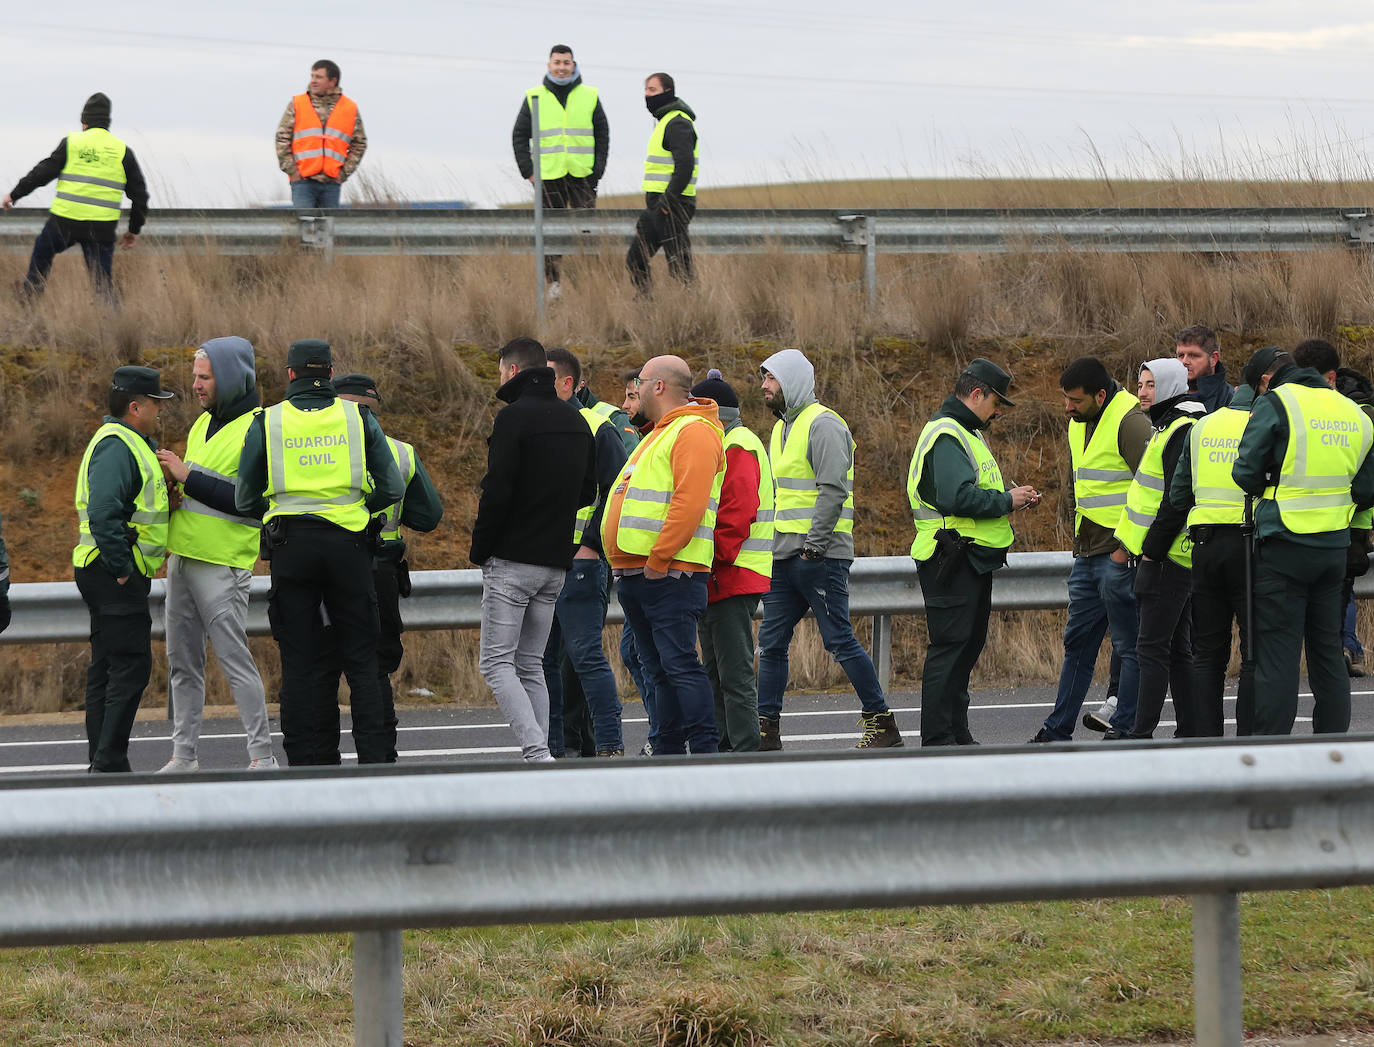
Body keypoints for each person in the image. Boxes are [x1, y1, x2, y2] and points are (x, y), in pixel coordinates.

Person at [236, 339, 404, 765]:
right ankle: (376, 762)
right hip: (349, 548)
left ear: (290, 375)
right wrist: (358, 508)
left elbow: (243, 498)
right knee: (363, 661)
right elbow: (392, 488)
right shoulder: (357, 417)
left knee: (301, 661)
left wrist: (276, 511)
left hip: (292, 548)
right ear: (330, 373)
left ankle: (309, 763)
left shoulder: (268, 422)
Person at [756, 348, 903, 750]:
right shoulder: (780, 428)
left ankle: (882, 723)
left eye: (771, 379)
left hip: (818, 555)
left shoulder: (823, 425)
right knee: (770, 643)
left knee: (838, 639)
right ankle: (765, 731)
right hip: (785, 555)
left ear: (792, 382)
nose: (764, 387)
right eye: (764, 379)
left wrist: (813, 550)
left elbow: (833, 491)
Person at [1233, 346, 1374, 735]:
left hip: (1285, 544)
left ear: (1266, 380)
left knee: (1279, 655)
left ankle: (1274, 753)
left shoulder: (1277, 403)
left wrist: (1272, 481)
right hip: (1334, 547)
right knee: (1328, 651)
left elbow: (1244, 473)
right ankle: (1332, 749)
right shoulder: (1352, 411)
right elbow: (1366, 488)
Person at [154, 337, 275, 773]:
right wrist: (174, 490)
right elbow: (198, 491)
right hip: (183, 559)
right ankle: (183, 756)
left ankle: (262, 757)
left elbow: (252, 502)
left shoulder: (259, 426)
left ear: (230, 377)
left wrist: (187, 474)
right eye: (194, 377)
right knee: (181, 665)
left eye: (204, 377)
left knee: (234, 661)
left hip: (223, 563)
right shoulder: (201, 424)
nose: (196, 385)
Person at [471, 337, 595, 763]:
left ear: (511, 371)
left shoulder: (513, 419)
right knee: (530, 664)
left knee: (496, 664)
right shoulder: (576, 421)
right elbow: (587, 490)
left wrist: (480, 549)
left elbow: (497, 491)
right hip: (555, 562)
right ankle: (543, 759)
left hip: (512, 560)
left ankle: (538, 753)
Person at [908, 360, 1040, 747]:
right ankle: (937, 739)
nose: (998, 412)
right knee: (951, 648)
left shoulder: (965, 432)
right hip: (951, 558)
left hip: (968, 557)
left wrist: (1009, 501)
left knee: (965, 647)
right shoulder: (949, 434)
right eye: (996, 403)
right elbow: (956, 496)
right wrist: (1006, 501)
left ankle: (955, 732)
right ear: (976, 394)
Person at [602, 355, 724, 754]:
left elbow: (688, 503)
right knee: (658, 670)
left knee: (679, 665)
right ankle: (667, 749)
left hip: (669, 574)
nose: (632, 391)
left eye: (638, 382)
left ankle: (705, 753)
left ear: (658, 386)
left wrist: (658, 560)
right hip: (640, 574)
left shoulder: (692, 431)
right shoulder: (659, 433)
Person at [314, 373, 444, 738]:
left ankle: (318, 763)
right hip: (380, 573)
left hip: (324, 569)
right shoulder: (401, 452)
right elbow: (429, 516)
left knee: (322, 667)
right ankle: (381, 753)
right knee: (373, 670)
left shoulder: (316, 448)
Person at [1033, 357, 1152, 742]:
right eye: (1066, 399)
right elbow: (1079, 487)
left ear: (1100, 395)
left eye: (1076, 400)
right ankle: (1057, 730)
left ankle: (1125, 728)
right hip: (1087, 555)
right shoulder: (1078, 422)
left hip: (1119, 554)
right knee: (1078, 644)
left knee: (1128, 645)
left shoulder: (1129, 421)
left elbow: (1154, 487)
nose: (1067, 407)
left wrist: (1126, 548)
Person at [73, 366, 174, 772]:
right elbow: (103, 513)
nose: (159, 412)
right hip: (111, 573)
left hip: (101, 570)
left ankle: (103, 762)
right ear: (136, 407)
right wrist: (123, 570)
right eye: (155, 404)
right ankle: (109, 762)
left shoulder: (123, 441)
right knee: (130, 666)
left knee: (109, 666)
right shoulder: (118, 444)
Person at [542, 347, 629, 757]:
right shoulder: (538, 423)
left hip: (580, 563)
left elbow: (616, 489)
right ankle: (556, 748)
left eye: (544, 378)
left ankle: (610, 745)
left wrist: (592, 545)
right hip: (543, 563)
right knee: (544, 662)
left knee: (585, 657)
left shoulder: (598, 425)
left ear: (567, 383)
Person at [1114, 359, 1205, 739]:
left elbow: (1174, 502)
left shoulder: (1180, 430)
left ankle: (1141, 733)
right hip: (1171, 554)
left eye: (1151, 385)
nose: (1142, 392)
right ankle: (1189, 730)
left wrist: (1150, 553)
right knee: (1177, 649)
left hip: (1166, 555)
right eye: (1140, 384)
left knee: (1150, 647)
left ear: (1169, 387)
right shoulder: (1170, 425)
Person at [690, 369, 774, 752]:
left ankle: (744, 752)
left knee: (734, 674)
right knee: (716, 672)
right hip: (720, 576)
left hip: (731, 575)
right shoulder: (729, 443)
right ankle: (728, 748)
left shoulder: (737, 445)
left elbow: (737, 513)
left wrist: (709, 561)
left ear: (712, 416)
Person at [1170, 377, 1258, 736]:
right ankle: (1249, 743)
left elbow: (1178, 496)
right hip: (1250, 546)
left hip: (1205, 546)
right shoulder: (1262, 425)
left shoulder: (1203, 426)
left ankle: (1207, 745)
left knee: (1206, 653)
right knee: (1254, 652)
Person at [2, 93, 148, 300]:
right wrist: (134, 229)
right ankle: (112, 324)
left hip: (64, 222)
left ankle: (29, 304)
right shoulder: (122, 151)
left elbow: (42, 173)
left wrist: (15, 194)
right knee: (102, 283)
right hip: (101, 226)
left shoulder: (72, 143)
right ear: (107, 122)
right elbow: (140, 197)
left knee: (42, 255)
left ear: (84, 121)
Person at [1292, 338, 1374, 679]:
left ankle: (1340, 649)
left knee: (1333, 591)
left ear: (1329, 379)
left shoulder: (1348, 414)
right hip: (1348, 524)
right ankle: (1340, 650)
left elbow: (1365, 485)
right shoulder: (1359, 413)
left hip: (1335, 522)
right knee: (1338, 591)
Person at [512, 45, 609, 297]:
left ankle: (587, 285)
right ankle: (554, 285)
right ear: (549, 66)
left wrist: (597, 170)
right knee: (551, 235)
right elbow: (519, 136)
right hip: (548, 177)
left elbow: (602, 134)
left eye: (566, 63)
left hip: (582, 176)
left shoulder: (590, 95)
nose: (562, 67)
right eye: (557, 62)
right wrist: (529, 172)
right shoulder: (535, 96)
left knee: (586, 233)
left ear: (573, 65)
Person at [626, 73, 698, 295]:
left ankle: (694, 313)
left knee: (680, 269)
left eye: (653, 90)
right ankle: (647, 310)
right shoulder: (663, 122)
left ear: (668, 92)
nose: (647, 95)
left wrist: (668, 201)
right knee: (635, 260)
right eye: (646, 90)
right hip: (657, 207)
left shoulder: (677, 123)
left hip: (673, 205)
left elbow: (684, 167)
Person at [275, 60, 367, 208]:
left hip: (331, 184)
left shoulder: (350, 108)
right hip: (303, 182)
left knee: (327, 228)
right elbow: (282, 138)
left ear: (333, 81)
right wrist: (293, 171)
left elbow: (359, 144)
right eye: (312, 76)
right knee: (306, 227)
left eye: (319, 77)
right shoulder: (298, 103)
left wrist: (342, 174)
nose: (313, 81)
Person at [1175, 324, 1234, 413]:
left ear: (1213, 359)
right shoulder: (1167, 397)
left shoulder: (1231, 400)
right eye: (1181, 355)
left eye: (1193, 355)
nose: (1185, 361)